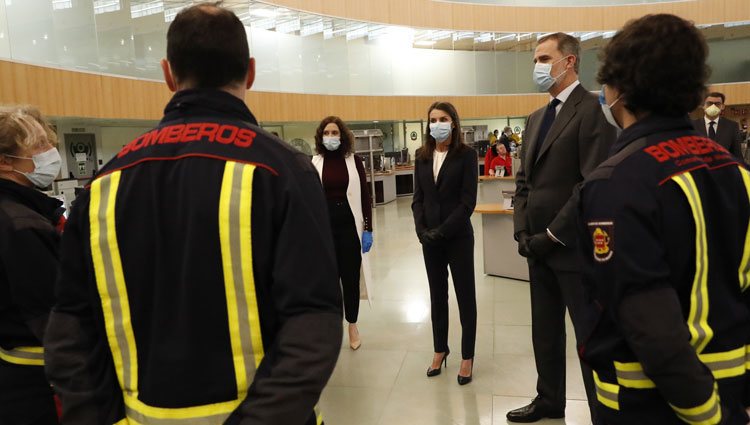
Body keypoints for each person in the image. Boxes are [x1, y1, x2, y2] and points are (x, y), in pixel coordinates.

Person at [44, 4, 342, 425]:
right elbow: (312, 322)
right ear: (251, 72)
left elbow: (70, 328)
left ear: (168, 74)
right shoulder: (282, 172)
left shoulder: (105, 183)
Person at [579, 14, 749, 424]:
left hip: (653, 402)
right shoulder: (735, 171)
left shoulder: (617, 182)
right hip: (733, 385)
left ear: (617, 87)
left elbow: (650, 326)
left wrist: (708, 415)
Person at [508, 32, 616, 423]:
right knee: (545, 331)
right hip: (537, 249)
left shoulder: (593, 111)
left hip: (571, 248)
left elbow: (590, 184)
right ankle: (549, 399)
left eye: (543, 58)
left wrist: (553, 234)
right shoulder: (537, 117)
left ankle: (600, 411)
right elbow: (524, 182)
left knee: (589, 336)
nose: (537, 66)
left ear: (568, 61)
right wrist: (523, 231)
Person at [0, 106, 62, 425]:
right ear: (5, 161)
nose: (50, 153)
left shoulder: (22, 213)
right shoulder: (21, 225)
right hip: (38, 383)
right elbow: (55, 320)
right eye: (38, 146)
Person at [412, 101, 478, 385]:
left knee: (465, 297)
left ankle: (467, 355)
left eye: (442, 118)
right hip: (430, 239)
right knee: (437, 297)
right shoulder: (422, 155)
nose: (436, 124)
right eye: (432, 119)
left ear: (453, 122)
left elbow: (467, 202)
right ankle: (440, 349)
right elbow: (418, 199)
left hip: (458, 237)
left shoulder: (466, 155)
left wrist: (443, 230)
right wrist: (422, 230)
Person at [311, 116, 373, 351]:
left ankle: (353, 324)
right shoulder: (315, 161)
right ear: (320, 137)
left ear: (342, 136)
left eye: (334, 133)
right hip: (324, 229)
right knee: (328, 280)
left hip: (349, 227)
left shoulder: (354, 161)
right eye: (326, 133)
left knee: (350, 279)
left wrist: (368, 228)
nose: (330, 137)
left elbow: (365, 196)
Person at [691, 92, 744, 158]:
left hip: (724, 167)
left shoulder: (732, 126)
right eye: (709, 103)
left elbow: (737, 155)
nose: (713, 106)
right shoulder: (692, 126)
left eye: (717, 104)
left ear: (722, 106)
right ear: (703, 106)